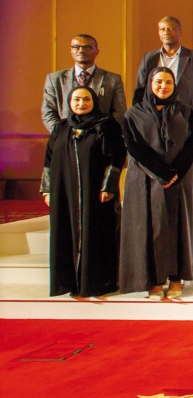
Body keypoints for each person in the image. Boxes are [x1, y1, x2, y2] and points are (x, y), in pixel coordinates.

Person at [119, 67, 193, 300]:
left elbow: (191, 146)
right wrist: (161, 173)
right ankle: (154, 280)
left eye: (168, 82)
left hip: (180, 178)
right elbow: (135, 147)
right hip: (145, 179)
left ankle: (176, 278)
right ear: (150, 84)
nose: (163, 87)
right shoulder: (133, 113)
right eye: (158, 82)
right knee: (150, 227)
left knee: (177, 226)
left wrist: (173, 173)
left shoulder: (185, 111)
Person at [41, 86, 125, 298]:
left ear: (94, 101)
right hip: (65, 194)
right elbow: (49, 162)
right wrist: (48, 190)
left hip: (96, 194)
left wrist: (109, 186)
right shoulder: (61, 128)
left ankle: (98, 284)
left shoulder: (105, 126)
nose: (81, 103)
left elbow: (116, 159)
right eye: (76, 99)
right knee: (66, 234)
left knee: (97, 234)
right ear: (69, 102)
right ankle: (70, 284)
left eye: (86, 99)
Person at [133, 16, 193, 130]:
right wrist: (137, 119)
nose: (166, 32)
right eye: (162, 29)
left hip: (184, 120)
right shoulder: (148, 58)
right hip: (153, 119)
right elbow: (139, 90)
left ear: (179, 32)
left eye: (170, 29)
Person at [42, 34, 126, 132]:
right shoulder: (55, 79)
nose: (81, 50)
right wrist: (63, 135)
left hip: (101, 138)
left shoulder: (112, 79)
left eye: (87, 47)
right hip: (65, 139)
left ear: (97, 52)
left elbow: (119, 113)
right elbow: (48, 112)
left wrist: (102, 135)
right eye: (76, 47)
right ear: (71, 51)